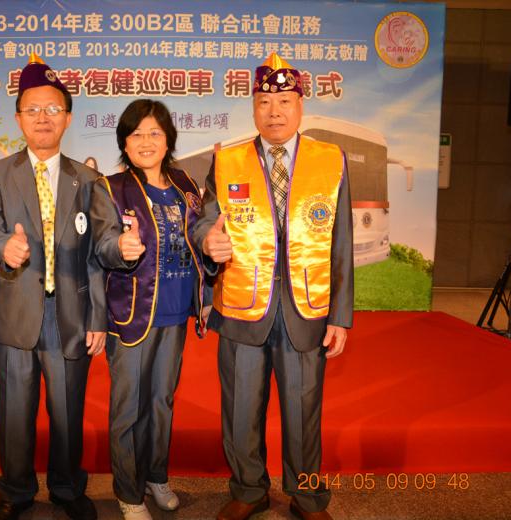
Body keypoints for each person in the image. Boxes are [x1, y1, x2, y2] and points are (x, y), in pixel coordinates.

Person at [191, 53, 353, 520]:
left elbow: (341, 240)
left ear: (300, 105)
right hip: (243, 304)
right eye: (264, 101)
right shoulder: (227, 160)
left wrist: (341, 315)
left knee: (304, 409)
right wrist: (207, 240)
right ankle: (248, 490)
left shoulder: (330, 160)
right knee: (241, 406)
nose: (274, 111)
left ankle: (306, 496)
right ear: (253, 107)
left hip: (307, 305)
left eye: (284, 101)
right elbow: (204, 220)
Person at [0, 53, 106, 520]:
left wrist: (98, 317)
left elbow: (98, 253)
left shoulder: (88, 179)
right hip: (16, 313)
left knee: (68, 411)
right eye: (33, 109)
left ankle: (67, 489)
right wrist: (3, 246)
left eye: (52, 109)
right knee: (14, 412)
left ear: (67, 118)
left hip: (70, 315)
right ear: (18, 119)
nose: (43, 117)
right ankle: (15, 492)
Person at [90, 99, 210, 520]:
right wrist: (120, 248)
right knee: (128, 408)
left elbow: (201, 238)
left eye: (154, 133)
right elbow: (102, 245)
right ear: (124, 142)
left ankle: (156, 475)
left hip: (175, 313)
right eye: (136, 134)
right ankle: (128, 491)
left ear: (168, 139)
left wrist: (207, 289)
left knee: (162, 401)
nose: (146, 141)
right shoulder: (110, 188)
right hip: (132, 315)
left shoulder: (185, 184)